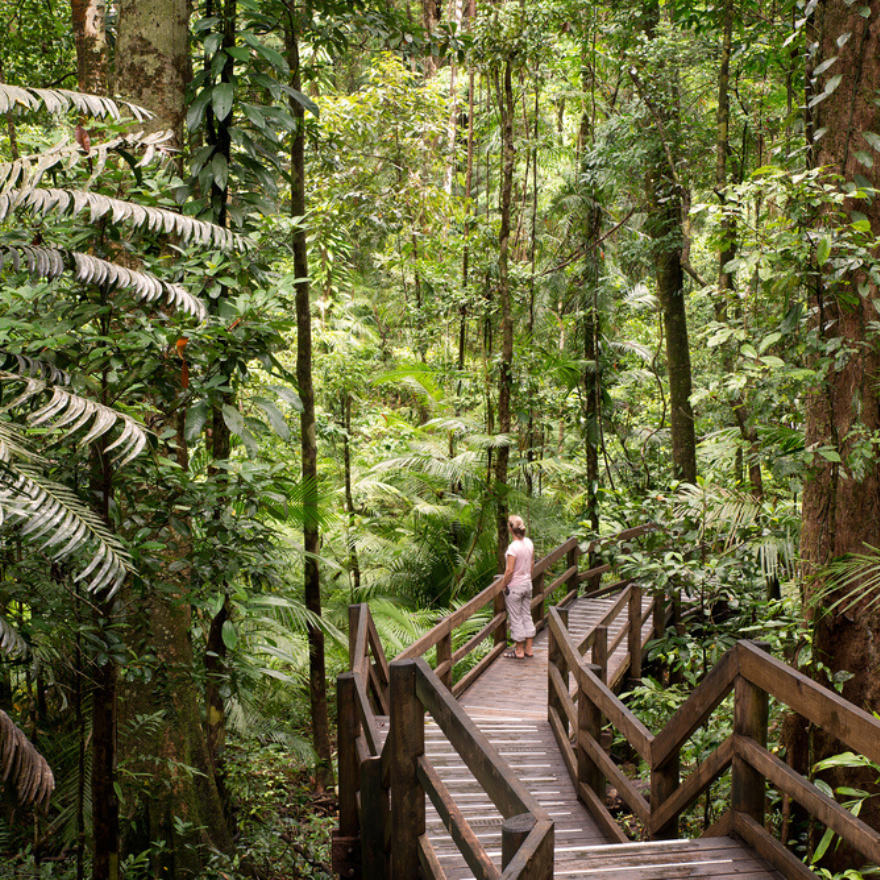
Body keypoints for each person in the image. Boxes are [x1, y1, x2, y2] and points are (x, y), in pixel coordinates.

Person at [499, 514, 536, 659]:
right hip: (527, 584)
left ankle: (519, 650)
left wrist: (504, 584)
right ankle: (529, 649)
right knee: (526, 614)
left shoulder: (513, 547)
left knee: (516, 617)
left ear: (510, 529)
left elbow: (509, 570)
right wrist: (528, 577)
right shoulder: (529, 543)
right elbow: (532, 563)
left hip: (515, 586)